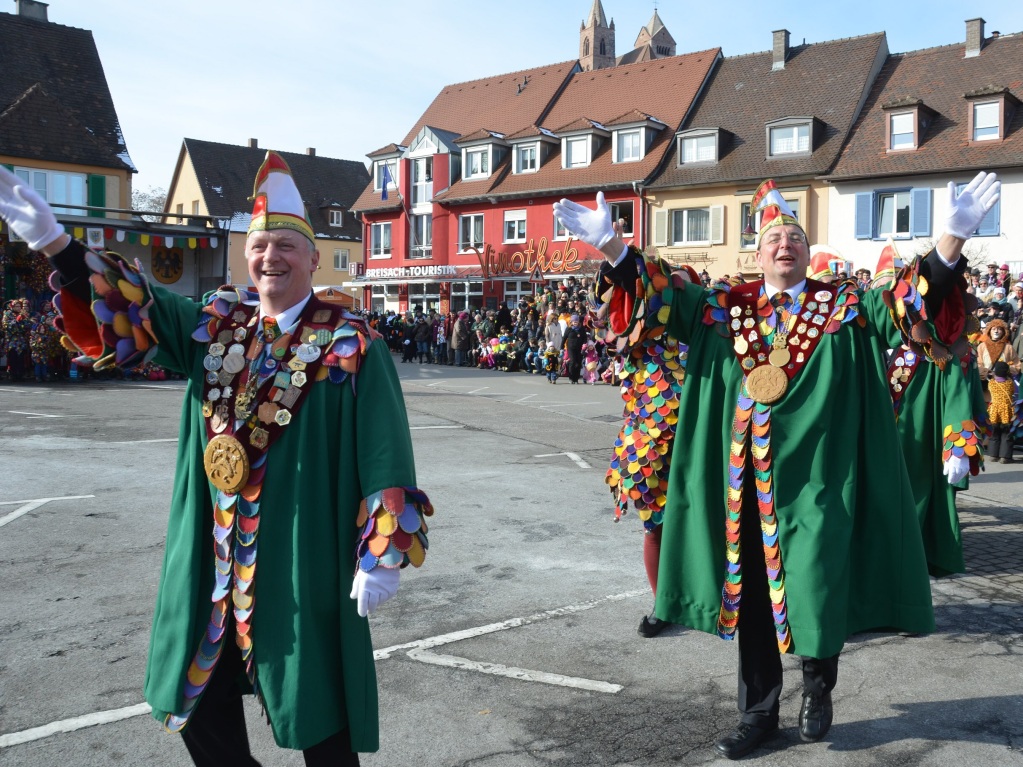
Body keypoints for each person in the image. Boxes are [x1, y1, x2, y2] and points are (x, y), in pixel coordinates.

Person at [0, 156, 434, 766]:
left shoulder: (352, 345)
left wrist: (382, 554)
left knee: (319, 707)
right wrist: (59, 247)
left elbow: (384, 449)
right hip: (213, 564)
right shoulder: (214, 329)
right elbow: (141, 310)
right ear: (245, 257)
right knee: (197, 710)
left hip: (297, 559)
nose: (271, 257)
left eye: (286, 245)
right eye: (260, 246)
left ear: (313, 259)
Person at [555, 171, 999, 760]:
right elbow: (659, 297)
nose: (784, 245)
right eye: (773, 239)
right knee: (754, 605)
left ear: (808, 252)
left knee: (816, 587)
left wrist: (951, 238)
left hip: (820, 482)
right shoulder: (722, 306)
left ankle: (818, 689)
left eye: (794, 237)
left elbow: (907, 298)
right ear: (757, 253)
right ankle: (757, 714)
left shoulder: (845, 306)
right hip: (746, 486)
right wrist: (613, 248)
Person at [986, 361, 1017, 463]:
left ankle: (993, 455)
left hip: (994, 410)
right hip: (1007, 411)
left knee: (994, 433)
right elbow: (1012, 392)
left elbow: (990, 382)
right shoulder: (1009, 383)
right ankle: (1005, 457)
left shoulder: (991, 383)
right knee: (1006, 434)